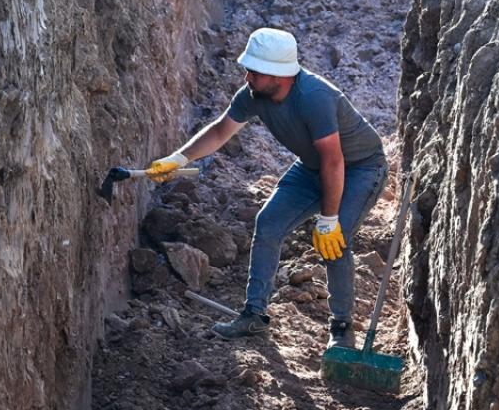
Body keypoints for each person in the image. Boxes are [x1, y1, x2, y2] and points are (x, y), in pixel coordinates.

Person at [146, 28, 388, 348]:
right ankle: (254, 317)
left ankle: (342, 329)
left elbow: (334, 161)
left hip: (360, 167)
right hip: (314, 166)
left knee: (335, 239)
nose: (247, 77)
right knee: (268, 223)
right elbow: (220, 131)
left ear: (279, 75)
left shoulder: (314, 97)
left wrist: (328, 219)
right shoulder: (254, 95)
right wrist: (179, 158)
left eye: (254, 71)